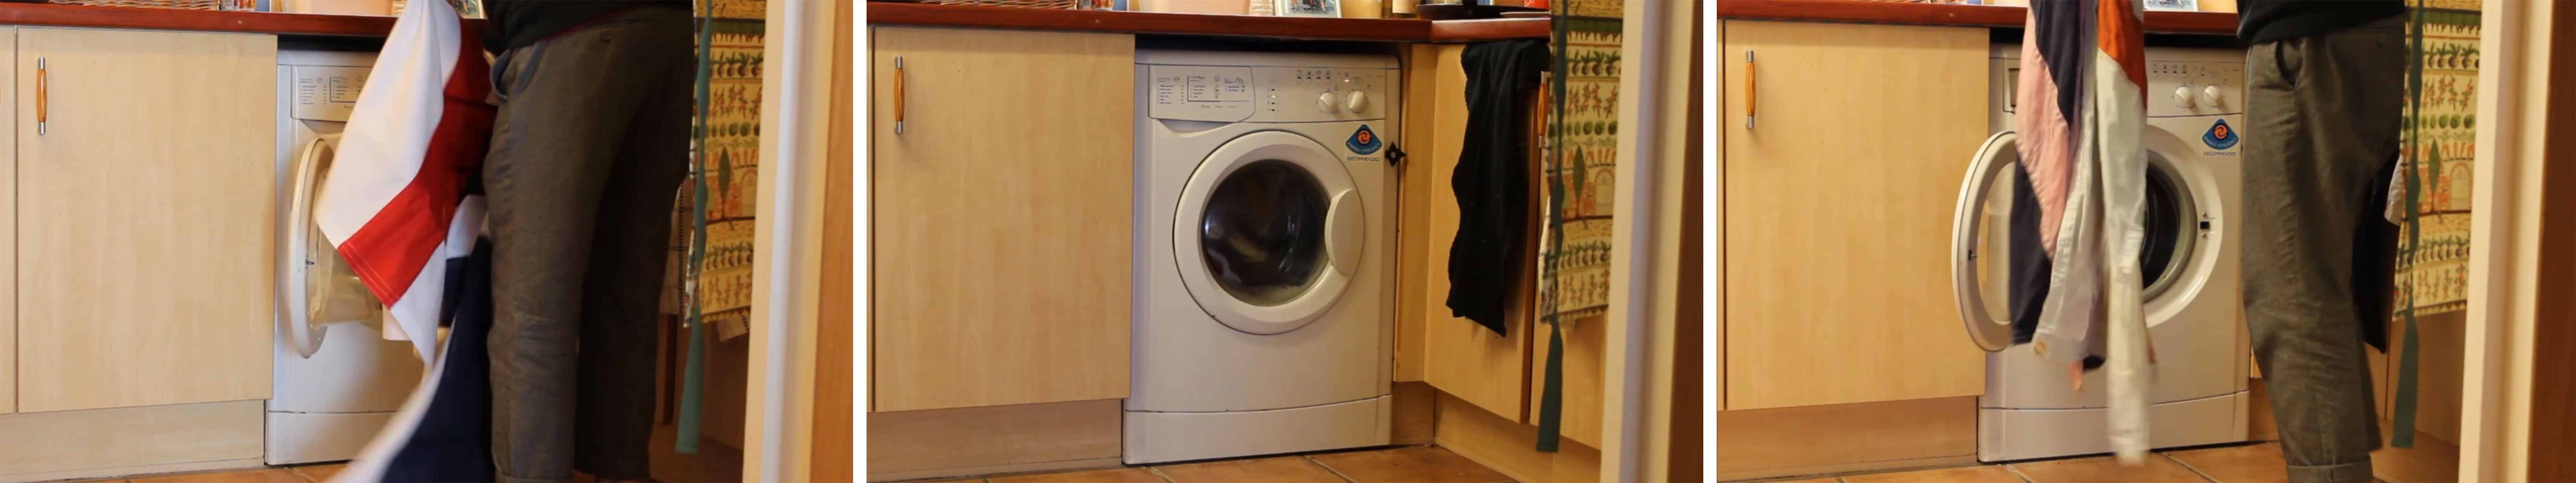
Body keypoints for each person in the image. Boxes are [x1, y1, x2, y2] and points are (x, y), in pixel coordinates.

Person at [477, 1, 694, 481]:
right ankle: (621, 471)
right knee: (624, 290)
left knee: (534, 305)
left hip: (569, 27)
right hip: (667, 34)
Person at [2235, 1, 2407, 482]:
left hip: (2311, 32)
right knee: (2320, 280)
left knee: (2291, 286)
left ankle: (2332, 474)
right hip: (2375, 31)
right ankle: (2343, 468)